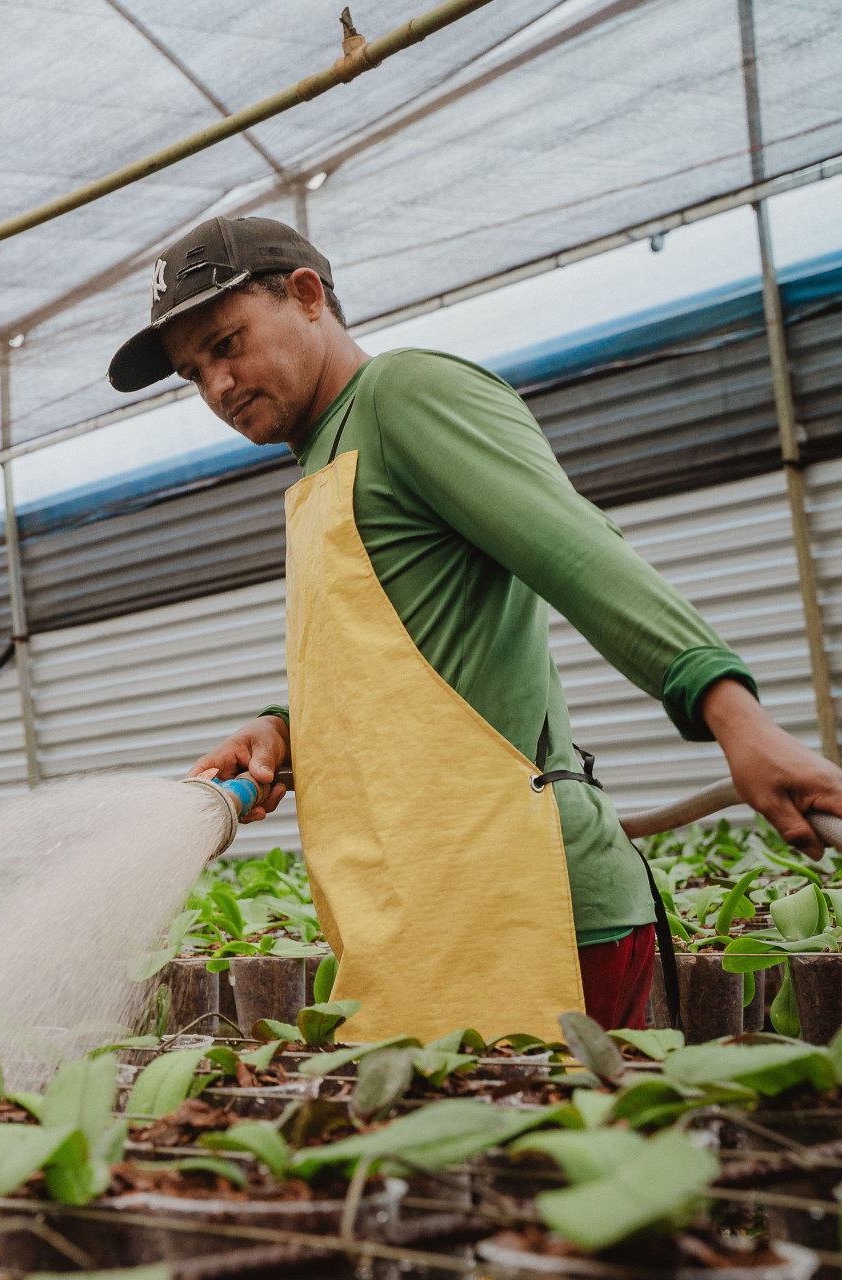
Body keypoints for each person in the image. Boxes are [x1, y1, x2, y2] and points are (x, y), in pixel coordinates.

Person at [107, 215, 842, 1039]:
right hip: (431, 918)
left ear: (307, 296)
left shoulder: (403, 395)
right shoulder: (326, 459)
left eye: (227, 344)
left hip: (528, 913)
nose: (216, 385)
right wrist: (286, 729)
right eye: (193, 372)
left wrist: (736, 718)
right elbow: (408, 663)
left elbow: (580, 553)